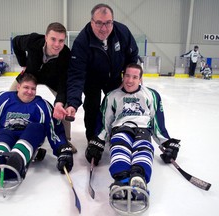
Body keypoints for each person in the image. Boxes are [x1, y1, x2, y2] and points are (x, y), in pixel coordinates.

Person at [85, 63, 180, 203]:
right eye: (127, 76)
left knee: (144, 148)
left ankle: (139, 177)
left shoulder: (151, 95)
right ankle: (122, 179)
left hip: (143, 129)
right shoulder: (112, 96)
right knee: (120, 145)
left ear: (140, 79)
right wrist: (98, 141)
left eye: (134, 77)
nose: (130, 80)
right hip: (121, 128)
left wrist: (166, 142)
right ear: (123, 76)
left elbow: (156, 121)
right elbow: (105, 121)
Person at [64, 3, 139, 142]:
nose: (104, 28)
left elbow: (132, 54)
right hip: (92, 79)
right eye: (99, 23)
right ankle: (93, 138)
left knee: (118, 104)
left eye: (108, 23)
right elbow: (76, 75)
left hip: (115, 76)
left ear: (113, 21)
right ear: (92, 22)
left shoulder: (122, 32)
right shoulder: (82, 42)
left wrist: (130, 77)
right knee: (92, 105)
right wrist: (72, 103)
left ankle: (118, 132)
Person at [0, 73, 73, 179]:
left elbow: (54, 130)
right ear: (18, 87)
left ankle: (17, 158)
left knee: (36, 128)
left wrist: (62, 149)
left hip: (30, 137)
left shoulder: (43, 105)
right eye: (26, 87)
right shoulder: (1, 99)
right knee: (3, 133)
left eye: (33, 89)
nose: (29, 92)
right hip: (7, 133)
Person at [11, 22, 76, 153]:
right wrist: (23, 63)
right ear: (46, 37)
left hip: (53, 80)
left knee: (64, 105)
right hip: (31, 74)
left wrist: (59, 102)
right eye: (53, 39)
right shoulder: (32, 41)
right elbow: (16, 42)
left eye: (61, 40)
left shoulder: (66, 55)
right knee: (11, 96)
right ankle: (10, 131)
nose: (57, 44)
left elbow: (64, 83)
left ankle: (65, 140)